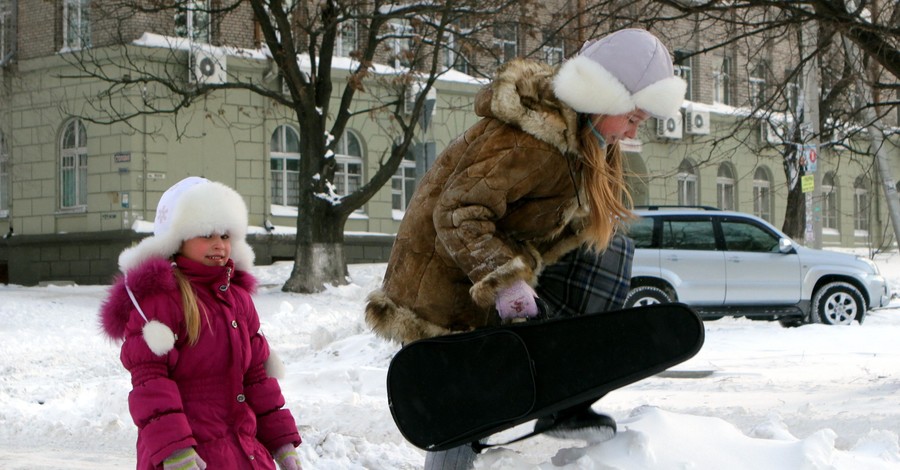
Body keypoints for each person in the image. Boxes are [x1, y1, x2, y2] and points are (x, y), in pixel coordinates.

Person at [364, 28, 686, 469]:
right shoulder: (534, 142)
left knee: (608, 252)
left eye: (640, 122)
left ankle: (566, 397)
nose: (630, 132)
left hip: (480, 275)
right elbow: (458, 212)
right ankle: (553, 403)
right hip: (443, 288)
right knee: (463, 419)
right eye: (630, 118)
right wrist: (506, 283)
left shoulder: (582, 142)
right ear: (604, 97)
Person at [100, 177, 303, 470]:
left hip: (243, 451)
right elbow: (151, 381)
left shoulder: (238, 299)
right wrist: (175, 450)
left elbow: (257, 377)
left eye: (225, 235)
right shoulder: (161, 301)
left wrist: (282, 442)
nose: (219, 245)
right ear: (176, 239)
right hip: (187, 457)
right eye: (206, 234)